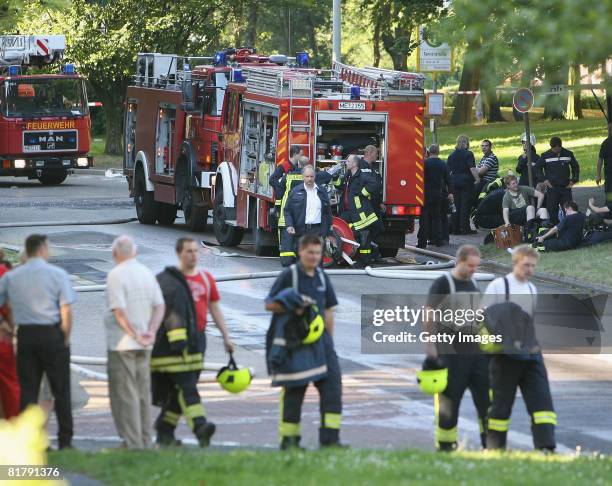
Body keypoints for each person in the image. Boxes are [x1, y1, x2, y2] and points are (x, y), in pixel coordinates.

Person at [152, 237, 234, 447]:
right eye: (189, 251)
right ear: (179, 253)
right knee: (187, 387)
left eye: (196, 251)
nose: (193, 255)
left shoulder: (206, 279)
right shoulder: (170, 280)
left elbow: (214, 308)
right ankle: (200, 426)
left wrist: (226, 336)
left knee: (180, 390)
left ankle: (165, 430)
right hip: (173, 343)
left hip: (198, 341)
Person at [265, 235, 343, 449]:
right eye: (310, 252)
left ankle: (330, 441)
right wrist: (293, 304)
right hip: (294, 343)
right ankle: (289, 442)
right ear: (300, 252)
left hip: (322, 343)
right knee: (294, 390)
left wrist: (330, 343)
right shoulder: (289, 276)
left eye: (318, 253)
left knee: (332, 388)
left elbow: (328, 310)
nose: (314, 257)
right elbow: (269, 304)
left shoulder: (321, 276)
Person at [0, 234, 75, 449]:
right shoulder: (57, 274)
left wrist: (3, 323)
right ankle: (65, 440)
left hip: (26, 336)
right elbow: (66, 309)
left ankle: (30, 440)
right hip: (52, 335)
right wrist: (65, 338)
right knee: (60, 389)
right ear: (42, 249)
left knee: (28, 389)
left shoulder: (13, 276)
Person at [483, 245, 556, 451]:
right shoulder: (499, 286)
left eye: (533, 266)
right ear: (515, 262)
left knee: (542, 400)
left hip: (531, 353)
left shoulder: (532, 289)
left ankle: (546, 447)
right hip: (504, 355)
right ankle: (495, 448)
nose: (530, 270)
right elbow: (484, 318)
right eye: (526, 265)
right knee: (500, 404)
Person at [424, 245, 489, 451]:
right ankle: (445, 447)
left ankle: (491, 445)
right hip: (450, 354)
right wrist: (431, 346)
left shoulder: (473, 282)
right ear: (459, 261)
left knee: (486, 401)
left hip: (476, 353)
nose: (473, 270)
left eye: (476, 266)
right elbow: (428, 314)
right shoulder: (444, 283)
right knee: (448, 402)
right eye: (470, 266)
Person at [105, 236, 165, 449]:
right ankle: (146, 439)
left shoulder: (116, 275)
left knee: (125, 393)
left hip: (123, 343)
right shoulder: (146, 272)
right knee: (142, 392)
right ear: (135, 253)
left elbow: (119, 312)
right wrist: (151, 331)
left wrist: (134, 334)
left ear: (115, 254)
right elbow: (159, 306)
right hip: (145, 343)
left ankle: (132, 443)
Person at [338, 154, 383, 266]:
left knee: (363, 237)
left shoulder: (362, 175)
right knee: (342, 229)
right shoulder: (348, 176)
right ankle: (350, 256)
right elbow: (339, 185)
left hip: (360, 212)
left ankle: (365, 261)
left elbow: (375, 184)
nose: (346, 163)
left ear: (354, 164)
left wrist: (363, 193)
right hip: (348, 211)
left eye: (348, 161)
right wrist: (335, 176)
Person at [283, 165, 333, 254]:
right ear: (303, 177)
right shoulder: (295, 191)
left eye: (311, 176)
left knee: (316, 262)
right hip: (301, 231)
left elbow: (327, 213)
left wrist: (327, 233)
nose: (309, 179)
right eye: (307, 176)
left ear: (315, 177)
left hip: (317, 231)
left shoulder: (322, 191)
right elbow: (287, 210)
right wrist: (289, 225)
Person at [536, 136, 580, 225]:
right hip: (552, 188)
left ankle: (569, 226)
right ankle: (554, 227)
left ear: (561, 146)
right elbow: (537, 168)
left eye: (558, 148)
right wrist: (544, 180)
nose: (557, 150)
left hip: (565, 187)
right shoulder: (545, 155)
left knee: (568, 209)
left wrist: (573, 180)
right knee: (552, 210)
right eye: (554, 149)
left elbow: (575, 167)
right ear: (551, 147)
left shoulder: (568, 154)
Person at [417, 144, 454, 248]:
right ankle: (439, 240)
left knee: (423, 219)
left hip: (425, 194)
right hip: (438, 194)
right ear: (438, 152)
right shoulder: (443, 164)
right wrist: (450, 192)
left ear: (429, 152)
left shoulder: (424, 164)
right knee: (437, 218)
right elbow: (449, 180)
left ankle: (422, 242)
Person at [0, 253, 19, 420]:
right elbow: (10, 305)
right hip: (2, 338)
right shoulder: (3, 273)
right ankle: (13, 428)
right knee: (8, 383)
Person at [447, 135, 479, 235]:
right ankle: (465, 228)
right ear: (466, 143)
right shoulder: (468, 154)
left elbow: (448, 171)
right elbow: (472, 168)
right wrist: (477, 178)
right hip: (466, 182)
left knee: (455, 206)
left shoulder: (451, 155)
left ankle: (455, 229)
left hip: (454, 182)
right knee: (465, 206)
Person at [596, 121, 612, 213]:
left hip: (609, 174)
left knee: (610, 192)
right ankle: (609, 210)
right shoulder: (606, 143)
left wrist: (598, 175)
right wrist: (598, 174)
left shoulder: (606, 142)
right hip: (609, 174)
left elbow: (600, 160)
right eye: (609, 129)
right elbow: (600, 159)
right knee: (610, 193)